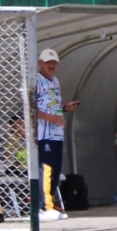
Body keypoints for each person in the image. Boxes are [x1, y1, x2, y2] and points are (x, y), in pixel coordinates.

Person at [37, 48, 79, 221]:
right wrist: (49, 118)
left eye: (54, 62)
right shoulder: (36, 81)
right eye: (48, 62)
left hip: (57, 134)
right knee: (46, 169)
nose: (52, 65)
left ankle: (51, 203)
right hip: (44, 134)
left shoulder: (55, 81)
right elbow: (30, 108)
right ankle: (43, 207)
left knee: (55, 170)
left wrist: (64, 108)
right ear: (40, 63)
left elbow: (52, 104)